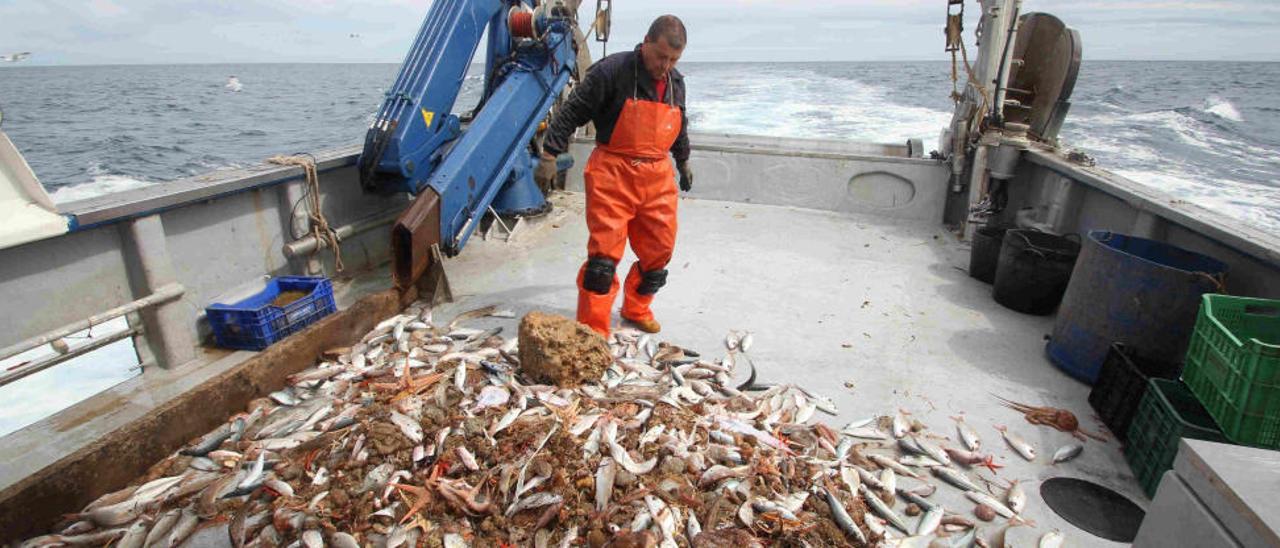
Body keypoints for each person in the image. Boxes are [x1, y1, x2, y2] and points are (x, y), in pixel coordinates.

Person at [537, 14, 693, 338]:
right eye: (660, 56)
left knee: (658, 255)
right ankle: (592, 330)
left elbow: (680, 127)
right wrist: (549, 154)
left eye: (673, 59)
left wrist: (684, 161)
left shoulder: (676, 83)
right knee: (603, 261)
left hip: (657, 176)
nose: (665, 65)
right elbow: (572, 111)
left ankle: (637, 308)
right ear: (645, 43)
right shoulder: (611, 71)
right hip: (613, 172)